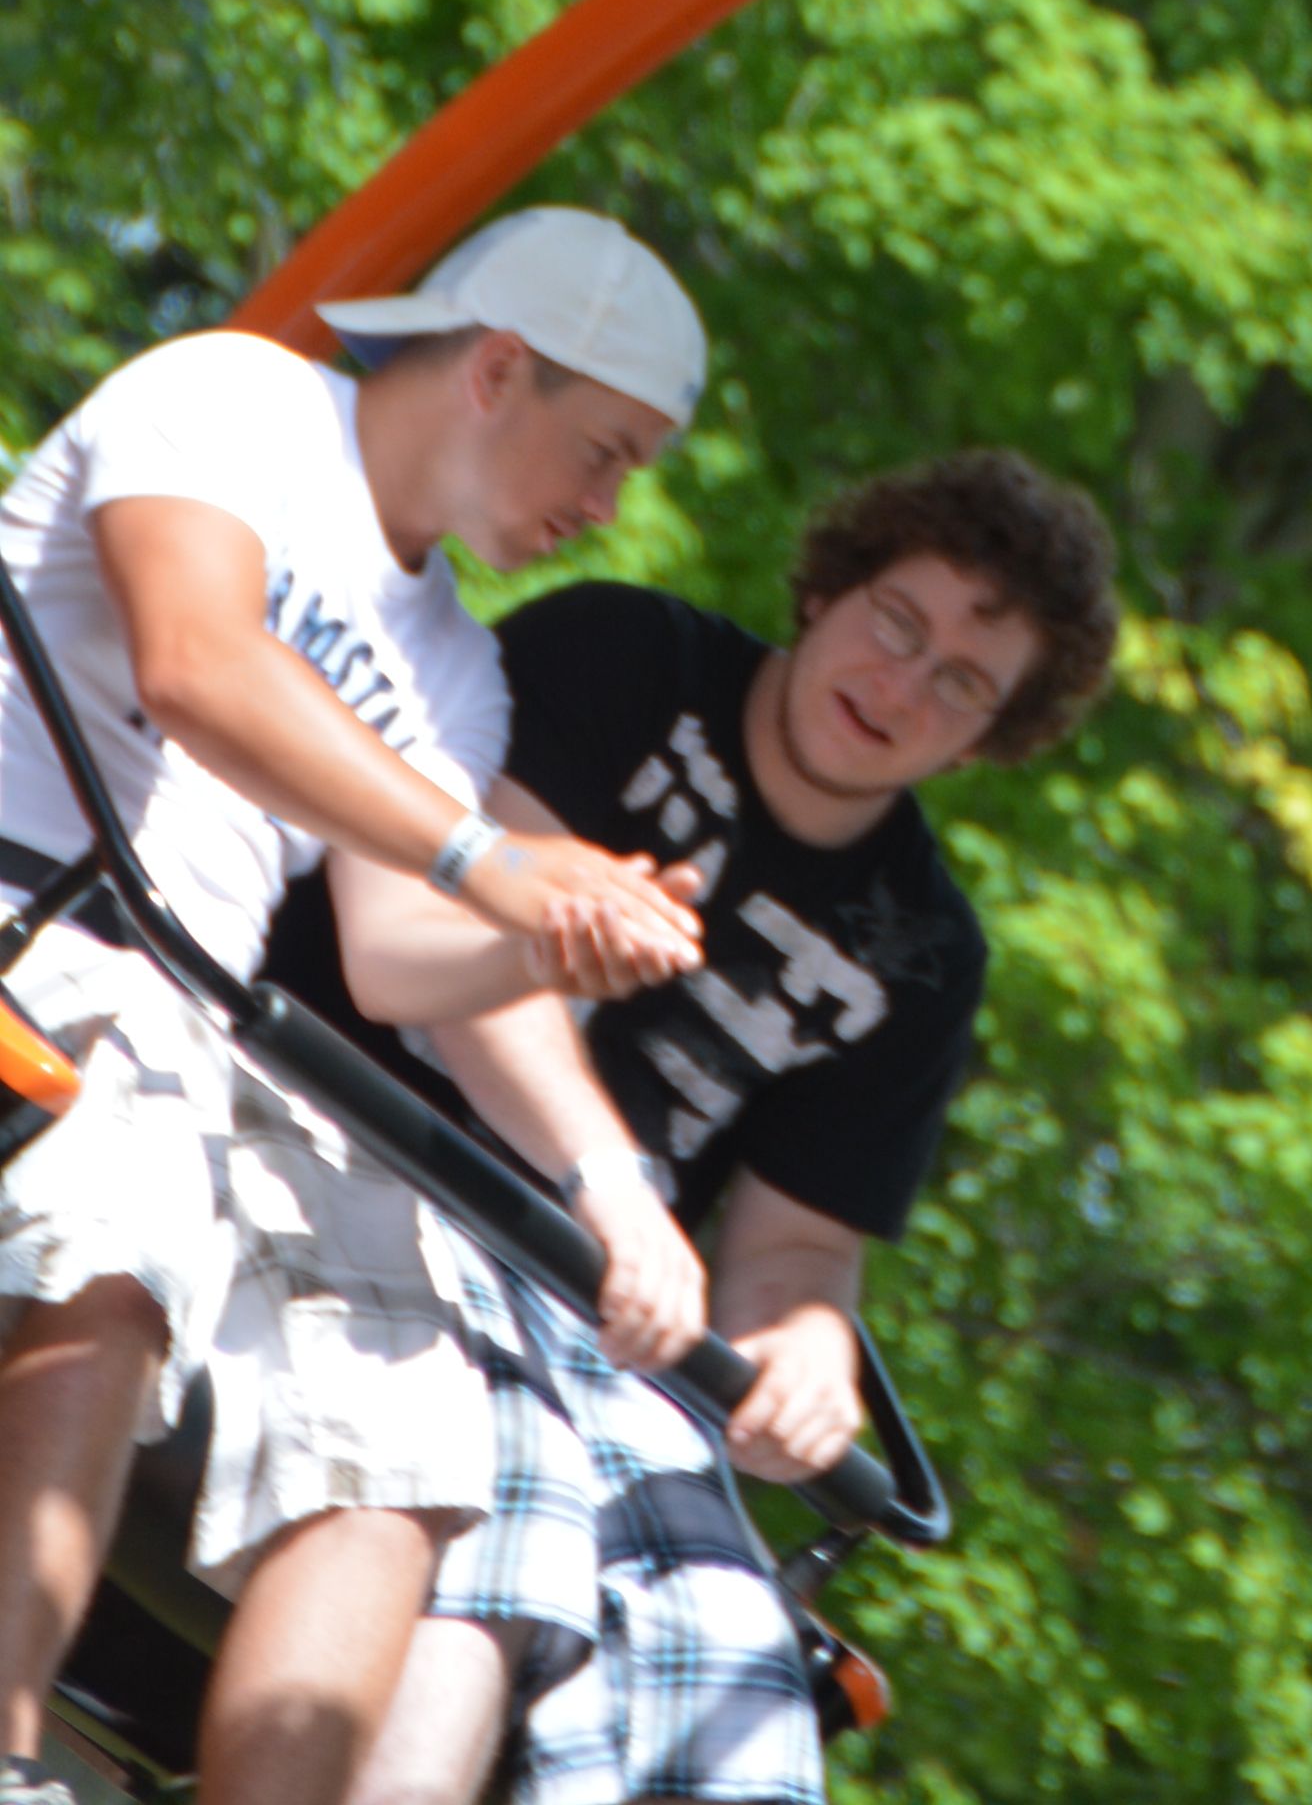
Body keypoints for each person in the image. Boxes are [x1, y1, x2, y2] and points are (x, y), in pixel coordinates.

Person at [0, 211, 716, 1805]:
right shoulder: (237, 399)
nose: (603, 507)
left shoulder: (452, 667)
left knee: (412, 1430)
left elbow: (404, 962)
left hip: (190, 1026)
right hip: (32, 917)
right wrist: (498, 863)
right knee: (124, 1215)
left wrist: (556, 963)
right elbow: (196, 663)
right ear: (499, 371)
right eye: (603, 452)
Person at [280, 447, 1120, 1805]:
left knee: (742, 1663)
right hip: (371, 1144)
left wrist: (804, 1353)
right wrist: (606, 1185)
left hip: (598, 1312)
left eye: (960, 684)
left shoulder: (923, 953)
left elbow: (797, 1247)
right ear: (831, 591)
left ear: (984, 743)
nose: (900, 686)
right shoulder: (622, 656)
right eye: (897, 624)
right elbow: (445, 958)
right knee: (522, 1524)